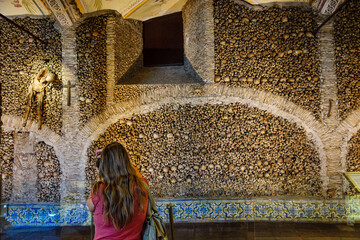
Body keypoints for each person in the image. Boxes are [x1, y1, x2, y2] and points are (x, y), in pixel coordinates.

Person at [87, 142, 148, 240]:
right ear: (126, 162)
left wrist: (104, 167)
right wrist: (120, 159)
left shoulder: (98, 189)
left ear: (104, 166)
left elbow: (90, 206)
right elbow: (134, 174)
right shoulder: (142, 186)